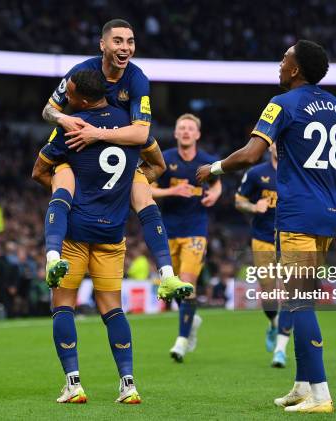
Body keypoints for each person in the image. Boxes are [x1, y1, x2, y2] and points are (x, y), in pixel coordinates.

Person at [196, 40, 336, 413]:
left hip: (297, 214)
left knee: (298, 302)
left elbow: (252, 154)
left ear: (296, 69)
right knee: (300, 300)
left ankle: (320, 394)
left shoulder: (282, 103)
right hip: (329, 213)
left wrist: (214, 168)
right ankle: (302, 385)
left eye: (284, 59)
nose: (280, 64)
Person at [40, 18, 192, 301]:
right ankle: (51, 256)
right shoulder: (80, 72)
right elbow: (49, 110)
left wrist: (98, 133)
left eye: (130, 42)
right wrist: (64, 118)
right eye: (118, 41)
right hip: (83, 154)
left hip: (119, 150)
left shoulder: (136, 79)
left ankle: (168, 275)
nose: (125, 48)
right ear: (103, 45)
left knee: (145, 198)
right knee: (60, 182)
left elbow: (141, 133)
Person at [33, 69, 143, 404]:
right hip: (112, 232)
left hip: (76, 232)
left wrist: (63, 182)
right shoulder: (131, 125)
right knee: (112, 309)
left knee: (62, 305)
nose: (65, 98)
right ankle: (128, 384)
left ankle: (74, 383)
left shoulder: (73, 124)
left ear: (80, 98)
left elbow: (38, 170)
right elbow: (153, 159)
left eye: (70, 95)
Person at [151, 113, 222, 362]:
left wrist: (215, 194)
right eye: (181, 128)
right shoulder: (164, 159)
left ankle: (181, 341)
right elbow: (147, 188)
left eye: (190, 128)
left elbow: (216, 183)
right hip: (167, 231)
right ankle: (192, 319)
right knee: (174, 288)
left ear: (197, 134)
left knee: (187, 283)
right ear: (175, 133)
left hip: (195, 230)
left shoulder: (207, 161)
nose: (186, 132)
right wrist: (172, 190)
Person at [235, 143, 293, 367]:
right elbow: (239, 200)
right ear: (270, 145)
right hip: (263, 240)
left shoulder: (299, 171)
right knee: (268, 295)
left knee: (291, 295)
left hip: (292, 240)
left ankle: (280, 350)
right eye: (277, 140)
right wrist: (253, 207)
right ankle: (273, 323)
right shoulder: (257, 173)